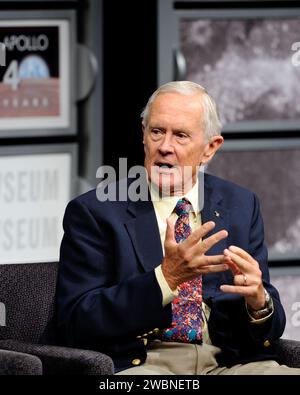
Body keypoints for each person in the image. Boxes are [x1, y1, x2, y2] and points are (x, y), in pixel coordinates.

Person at [56, 81, 300, 375]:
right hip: (144, 363)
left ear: (210, 149)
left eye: (181, 135)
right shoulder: (96, 212)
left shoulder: (241, 204)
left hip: (228, 364)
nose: (165, 147)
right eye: (157, 131)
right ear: (143, 136)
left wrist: (258, 302)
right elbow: (76, 321)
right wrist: (165, 278)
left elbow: (269, 323)